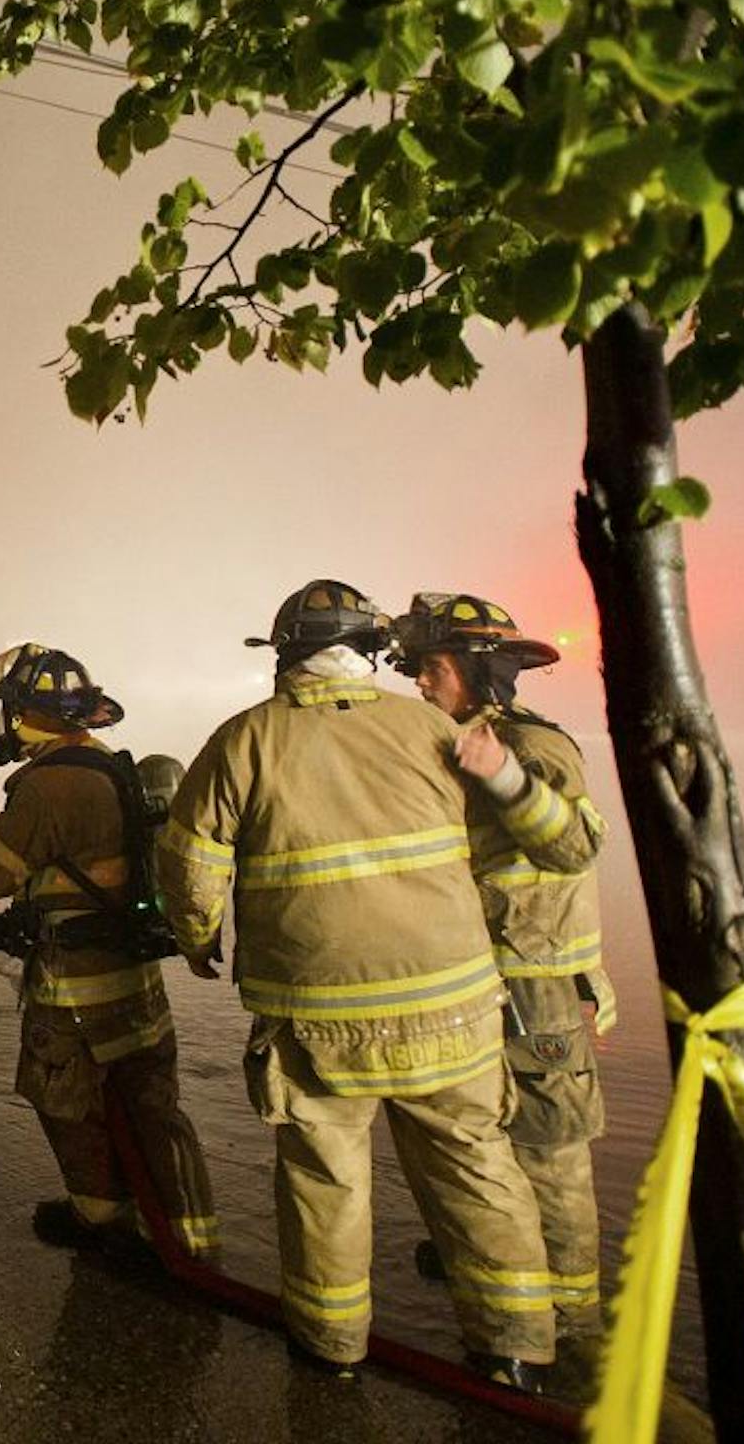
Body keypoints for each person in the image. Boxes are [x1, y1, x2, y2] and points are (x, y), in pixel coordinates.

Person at [153, 581, 554, 1388]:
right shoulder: (433, 728)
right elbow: (515, 849)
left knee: (324, 1177)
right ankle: (516, 1349)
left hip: (317, 1021)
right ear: (373, 652)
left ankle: (331, 1349)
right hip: (455, 1006)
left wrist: (198, 941)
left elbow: (190, 866)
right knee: (476, 1165)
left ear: (285, 656)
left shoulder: (244, 741)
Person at [0, 643, 219, 1260]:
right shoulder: (108, 766)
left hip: (75, 989)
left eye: (7, 711)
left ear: (24, 714)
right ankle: (191, 1243)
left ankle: (99, 1216)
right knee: (151, 1106)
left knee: (65, 1099)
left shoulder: (47, 786)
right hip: (134, 981)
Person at [390, 592, 614, 1383]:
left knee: (550, 1159)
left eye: (431, 669)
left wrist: (508, 777)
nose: (419, 683)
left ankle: (574, 1327)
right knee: (492, 1147)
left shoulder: (529, 746)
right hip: (485, 984)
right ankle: (512, 1284)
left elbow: (575, 845)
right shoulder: (458, 745)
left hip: (537, 992)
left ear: (475, 672)